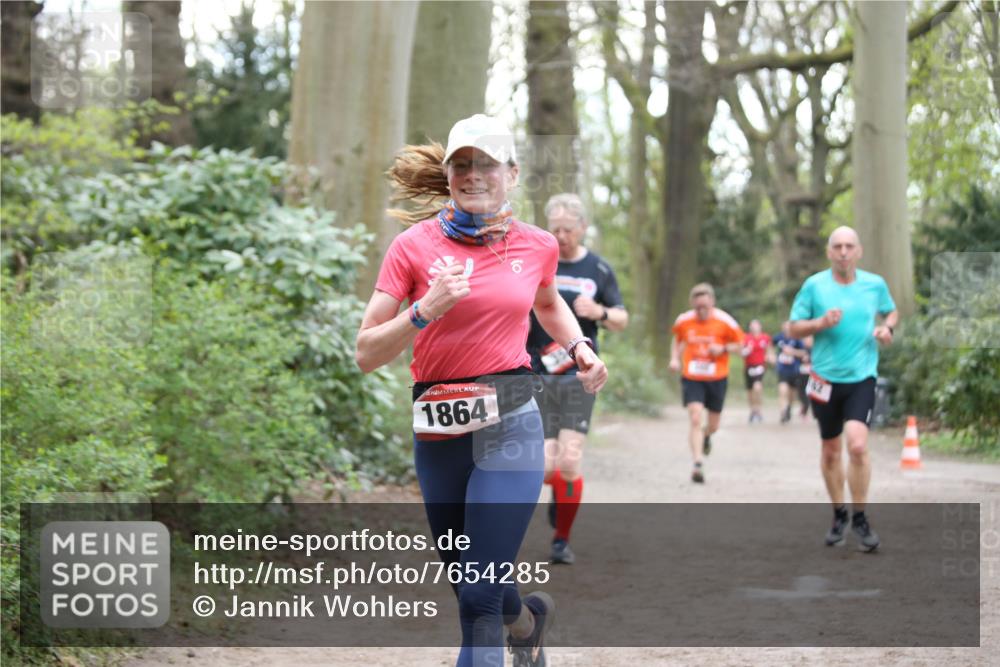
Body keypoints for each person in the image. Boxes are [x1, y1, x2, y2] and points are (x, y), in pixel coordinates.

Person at [355, 114, 608, 667]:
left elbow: (546, 303)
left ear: (511, 174)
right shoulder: (411, 248)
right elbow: (366, 352)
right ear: (448, 175)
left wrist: (579, 348)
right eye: (462, 165)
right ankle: (528, 626)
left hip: (510, 418)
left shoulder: (537, 245)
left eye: (487, 165)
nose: (474, 176)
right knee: (471, 583)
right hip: (437, 428)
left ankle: (507, 631)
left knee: (476, 597)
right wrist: (423, 312)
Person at [525, 193, 628, 566]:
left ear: (583, 228)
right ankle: (563, 495)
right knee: (545, 467)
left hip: (578, 378)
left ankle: (560, 539)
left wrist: (599, 311)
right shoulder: (536, 261)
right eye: (555, 229)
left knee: (568, 463)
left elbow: (621, 318)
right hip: (536, 375)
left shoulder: (598, 270)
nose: (562, 236)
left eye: (568, 229)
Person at [788, 226, 897, 552]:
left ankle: (860, 516)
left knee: (858, 446)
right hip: (823, 379)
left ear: (859, 251)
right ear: (829, 251)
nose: (844, 252)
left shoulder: (874, 284)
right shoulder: (814, 286)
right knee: (831, 451)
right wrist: (819, 323)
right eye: (838, 246)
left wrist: (887, 328)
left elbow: (891, 311)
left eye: (850, 246)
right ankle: (839, 515)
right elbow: (793, 327)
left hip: (861, 377)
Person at [669, 283, 744, 483]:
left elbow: (741, 345)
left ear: (712, 302)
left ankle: (706, 435)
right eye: (697, 307)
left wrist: (723, 348)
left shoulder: (725, 321)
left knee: (713, 425)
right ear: (692, 304)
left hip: (717, 377)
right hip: (692, 376)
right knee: (695, 417)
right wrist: (675, 358)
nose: (701, 311)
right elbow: (677, 340)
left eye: (705, 307)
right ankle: (697, 463)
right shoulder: (684, 320)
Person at [772, 321, 808, 424]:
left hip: (794, 370)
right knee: (782, 391)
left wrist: (792, 352)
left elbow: (804, 353)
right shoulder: (779, 338)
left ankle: (788, 408)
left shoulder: (797, 338)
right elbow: (769, 345)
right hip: (782, 370)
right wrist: (771, 355)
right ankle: (783, 412)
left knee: (791, 394)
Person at [741, 319, 772, 423]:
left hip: (760, 366)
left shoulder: (765, 338)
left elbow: (769, 350)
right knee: (750, 391)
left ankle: (758, 409)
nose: (754, 327)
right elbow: (741, 353)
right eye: (752, 325)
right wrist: (747, 350)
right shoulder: (746, 338)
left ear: (760, 326)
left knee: (757, 387)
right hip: (749, 367)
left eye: (756, 325)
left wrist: (770, 357)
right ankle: (753, 411)